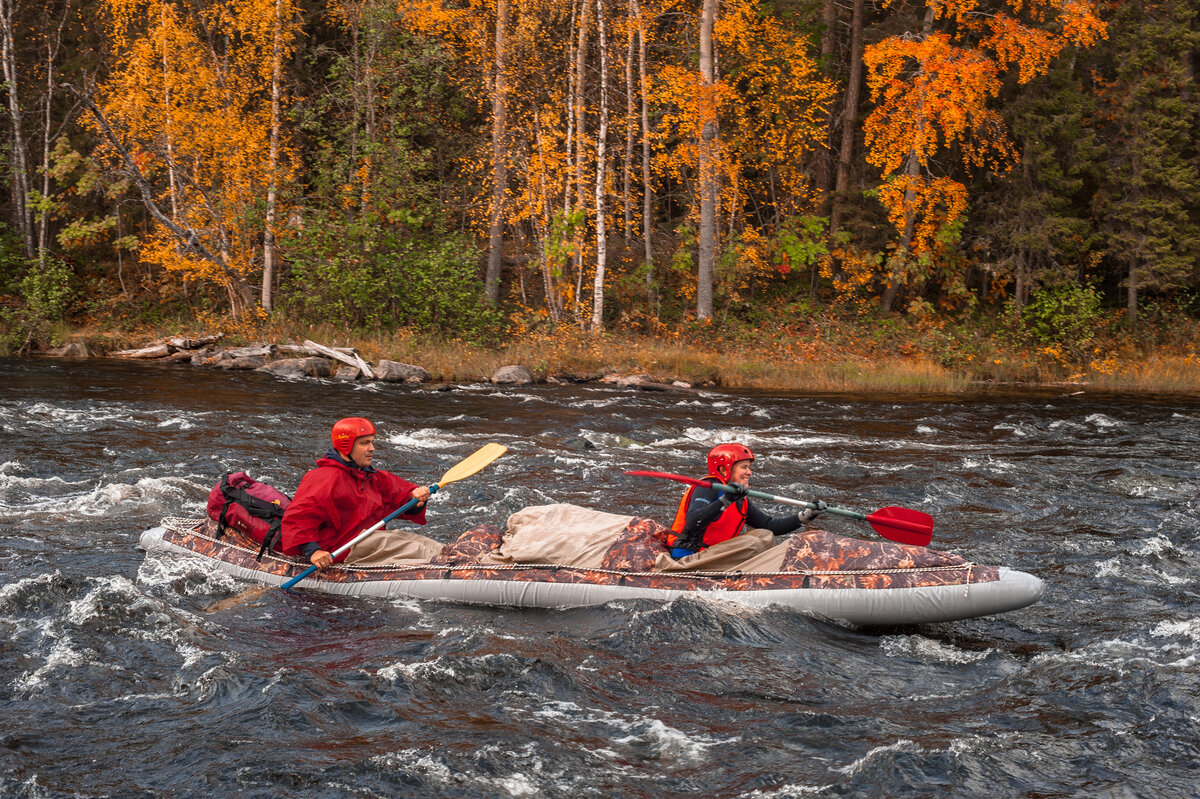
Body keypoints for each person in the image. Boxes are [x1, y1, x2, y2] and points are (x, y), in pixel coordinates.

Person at [280, 417, 444, 567]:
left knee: (435, 548)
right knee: (419, 551)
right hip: (342, 548)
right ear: (346, 447)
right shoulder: (323, 478)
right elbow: (298, 518)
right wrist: (313, 551)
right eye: (365, 443)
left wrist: (416, 499)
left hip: (371, 540)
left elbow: (403, 498)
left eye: (372, 442)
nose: (372, 448)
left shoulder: (373, 477)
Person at [666, 443, 827, 560]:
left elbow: (770, 526)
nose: (749, 472)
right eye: (744, 467)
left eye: (749, 467)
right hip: (687, 557)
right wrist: (725, 501)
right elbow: (694, 520)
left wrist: (805, 516)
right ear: (723, 469)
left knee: (764, 535)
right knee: (756, 541)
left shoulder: (740, 500)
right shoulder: (708, 488)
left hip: (712, 557)